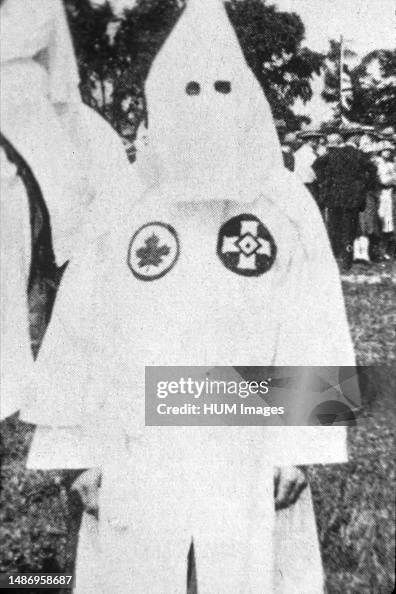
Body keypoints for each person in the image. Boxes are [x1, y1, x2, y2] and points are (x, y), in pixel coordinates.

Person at [23, 1, 355, 592]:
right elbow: (79, 329)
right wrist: (78, 451)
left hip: (249, 439)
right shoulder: (124, 206)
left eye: (224, 86)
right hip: (139, 446)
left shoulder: (284, 207)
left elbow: (315, 322)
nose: (206, 103)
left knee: (247, 567)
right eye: (189, 87)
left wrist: (301, 445)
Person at [314, 133, 373, 271]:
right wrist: (363, 185)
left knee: (334, 228)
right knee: (349, 230)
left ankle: (333, 258)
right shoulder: (358, 154)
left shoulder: (332, 154)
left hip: (334, 197)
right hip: (352, 199)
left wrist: (325, 181)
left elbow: (316, 165)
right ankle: (347, 260)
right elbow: (372, 168)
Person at [375, 142, 396, 259]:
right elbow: (383, 180)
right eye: (385, 150)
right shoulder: (379, 163)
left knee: (390, 222)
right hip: (382, 194)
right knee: (384, 220)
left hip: (391, 193)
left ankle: (390, 250)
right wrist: (392, 179)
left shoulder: (392, 164)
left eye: (389, 150)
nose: (387, 153)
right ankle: (381, 250)